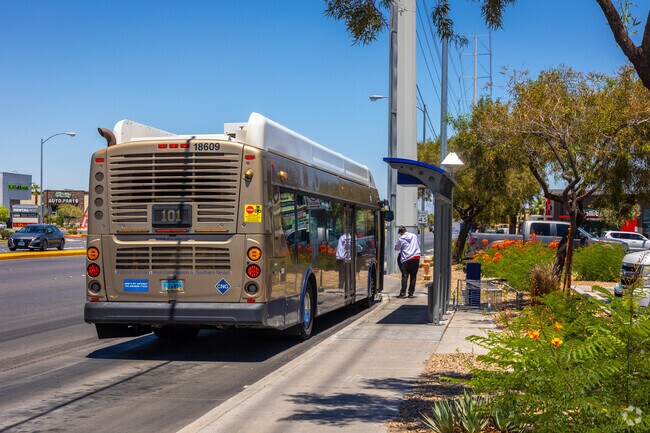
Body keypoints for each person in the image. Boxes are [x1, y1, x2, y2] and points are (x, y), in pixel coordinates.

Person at [394, 226, 421, 298]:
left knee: (405, 276)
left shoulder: (401, 239)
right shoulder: (414, 236)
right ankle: (411, 293)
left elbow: (396, 248)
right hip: (416, 258)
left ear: (400, 232)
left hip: (406, 259)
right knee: (413, 276)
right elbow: (419, 244)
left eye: (399, 233)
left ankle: (403, 293)